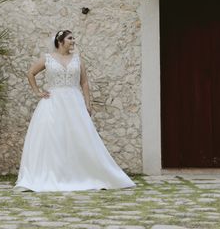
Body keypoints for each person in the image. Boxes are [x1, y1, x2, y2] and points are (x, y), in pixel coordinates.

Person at [15, 30, 135, 192]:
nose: (73, 41)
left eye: (73, 38)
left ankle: (82, 174)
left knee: (80, 137)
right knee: (53, 138)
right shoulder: (48, 58)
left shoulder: (78, 59)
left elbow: (84, 82)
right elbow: (31, 73)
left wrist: (88, 103)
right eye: (70, 38)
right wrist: (37, 92)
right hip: (53, 102)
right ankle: (51, 174)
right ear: (60, 41)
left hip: (74, 102)